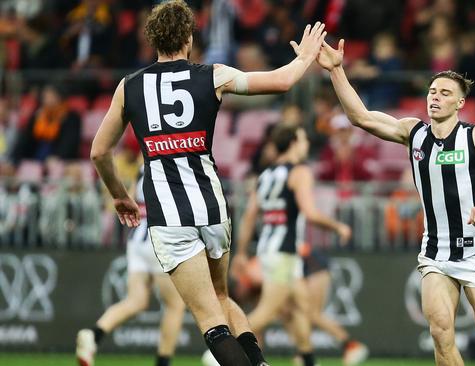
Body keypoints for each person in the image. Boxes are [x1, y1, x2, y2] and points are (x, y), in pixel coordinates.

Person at [86, 1, 327, 365]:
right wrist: (305, 57)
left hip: (169, 216)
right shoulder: (212, 74)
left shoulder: (129, 87)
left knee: (211, 320)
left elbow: (100, 152)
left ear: (152, 38)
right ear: (188, 37)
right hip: (212, 206)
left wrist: (120, 196)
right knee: (224, 297)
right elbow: (282, 81)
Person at [315, 39, 475, 366]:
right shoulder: (413, 133)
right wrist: (336, 70)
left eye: (445, 93)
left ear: (461, 102)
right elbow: (361, 117)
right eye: (432, 91)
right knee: (440, 333)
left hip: (473, 249)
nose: (436, 96)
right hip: (434, 251)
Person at [230, 124, 352, 366]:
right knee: (265, 312)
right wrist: (338, 227)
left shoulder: (266, 175)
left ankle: (307, 359)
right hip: (284, 253)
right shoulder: (300, 172)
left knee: (300, 308)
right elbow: (310, 212)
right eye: (304, 140)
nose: (307, 145)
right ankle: (221, 353)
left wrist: (242, 252)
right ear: (295, 143)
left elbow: (249, 216)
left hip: (271, 251)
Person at [76, 166, 186, 366]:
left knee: (136, 301)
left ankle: (93, 334)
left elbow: (132, 196)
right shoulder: (172, 156)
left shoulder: (143, 164)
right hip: (161, 235)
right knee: (174, 305)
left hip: (137, 238)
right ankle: (163, 363)